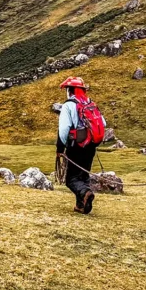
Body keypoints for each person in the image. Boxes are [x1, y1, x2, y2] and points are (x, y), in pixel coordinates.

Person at [56, 76, 99, 214]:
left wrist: (60, 148)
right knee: (83, 175)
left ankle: (85, 193)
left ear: (70, 90)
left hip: (76, 146)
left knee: (71, 179)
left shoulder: (68, 105)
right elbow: (102, 123)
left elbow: (63, 129)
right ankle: (82, 205)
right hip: (91, 146)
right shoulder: (90, 103)